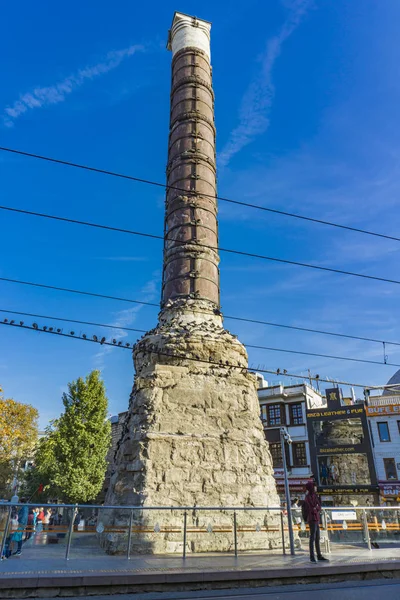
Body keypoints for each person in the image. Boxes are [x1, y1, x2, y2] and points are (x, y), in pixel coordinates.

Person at [304, 481, 328, 563]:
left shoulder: (315, 496)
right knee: (312, 537)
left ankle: (319, 555)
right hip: (312, 518)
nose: (315, 488)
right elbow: (311, 507)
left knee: (317, 537)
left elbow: (318, 506)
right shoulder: (308, 497)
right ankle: (312, 556)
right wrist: (315, 508)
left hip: (316, 518)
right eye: (314, 486)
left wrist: (316, 508)